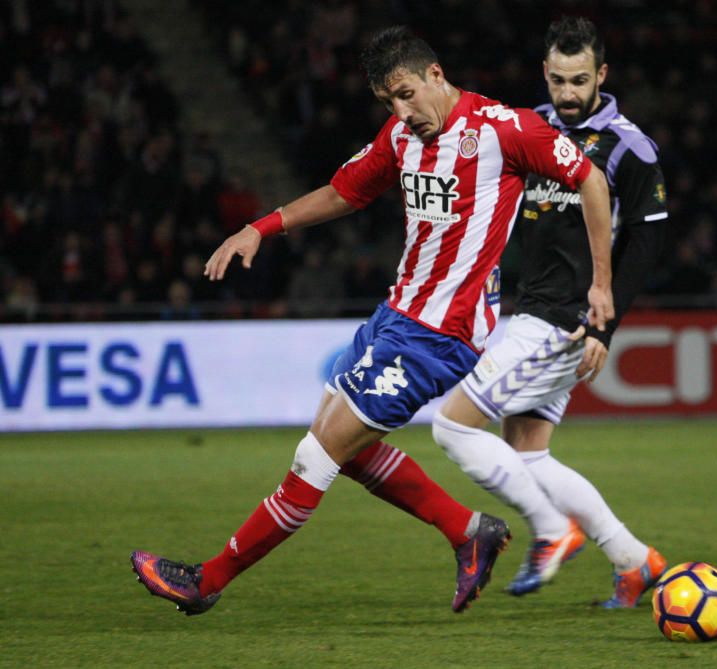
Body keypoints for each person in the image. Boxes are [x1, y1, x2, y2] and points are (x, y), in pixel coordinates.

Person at [130, 25, 614, 616]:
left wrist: (601, 285)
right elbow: (343, 192)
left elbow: (589, 178)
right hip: (394, 316)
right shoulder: (401, 135)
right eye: (389, 101)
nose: (401, 111)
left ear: (436, 74)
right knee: (346, 447)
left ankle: (206, 580)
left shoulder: (502, 129)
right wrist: (260, 227)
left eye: (407, 93)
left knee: (317, 455)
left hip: (444, 334)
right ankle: (468, 532)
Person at [430, 16, 669, 608]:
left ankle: (553, 532)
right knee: (528, 452)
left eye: (580, 80)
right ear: (545, 72)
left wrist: (603, 326)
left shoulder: (628, 148)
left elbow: (645, 248)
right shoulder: (532, 128)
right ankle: (635, 561)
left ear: (602, 75)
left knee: (453, 425)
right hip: (531, 310)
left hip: (565, 321)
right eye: (559, 79)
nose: (568, 93)